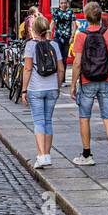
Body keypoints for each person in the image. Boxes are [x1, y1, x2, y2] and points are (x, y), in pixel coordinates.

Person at [70, 2, 108, 167]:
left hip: (87, 81)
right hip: (106, 80)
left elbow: (77, 63)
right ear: (101, 16)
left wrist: (72, 85)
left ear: (86, 17)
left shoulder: (81, 35)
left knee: (84, 118)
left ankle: (87, 154)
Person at [23, 16, 64, 168]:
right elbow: (61, 69)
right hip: (52, 88)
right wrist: (57, 86)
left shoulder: (30, 46)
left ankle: (41, 156)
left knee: (39, 122)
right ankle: (47, 154)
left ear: (34, 31)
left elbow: (27, 69)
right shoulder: (54, 45)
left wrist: (24, 90)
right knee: (48, 121)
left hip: (36, 88)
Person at [52, 0, 76, 84]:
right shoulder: (56, 12)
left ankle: (63, 80)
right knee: (57, 58)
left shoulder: (70, 12)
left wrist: (72, 36)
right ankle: (56, 78)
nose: (63, 4)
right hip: (57, 37)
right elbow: (53, 23)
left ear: (67, 3)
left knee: (64, 59)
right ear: (59, 4)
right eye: (61, 3)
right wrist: (48, 34)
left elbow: (73, 25)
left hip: (67, 38)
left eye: (65, 3)